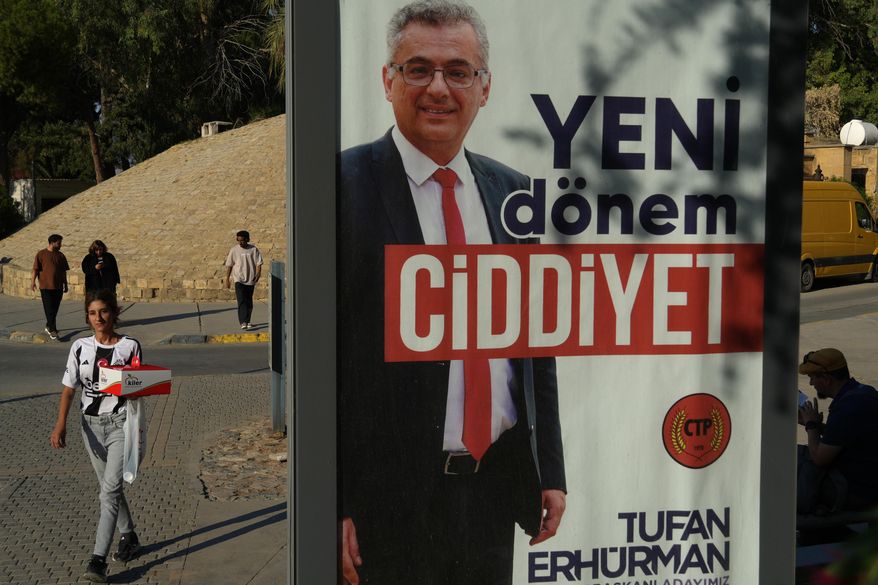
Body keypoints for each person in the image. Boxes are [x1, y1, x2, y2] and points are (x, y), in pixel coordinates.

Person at [338, 2, 566, 583]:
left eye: (458, 72)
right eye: (419, 69)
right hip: (386, 506)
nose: (439, 88)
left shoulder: (512, 194)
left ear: (483, 89)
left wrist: (551, 470)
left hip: (495, 490)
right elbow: (328, 364)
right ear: (388, 81)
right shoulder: (341, 188)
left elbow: (534, 348)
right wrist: (334, 499)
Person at [49, 290, 144, 583]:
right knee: (109, 488)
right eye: (92, 313)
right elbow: (69, 389)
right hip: (89, 426)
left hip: (119, 424)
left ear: (114, 313)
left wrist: (125, 383)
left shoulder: (130, 346)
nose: (98, 318)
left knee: (109, 492)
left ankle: (98, 561)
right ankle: (129, 536)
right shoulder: (80, 347)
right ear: (87, 317)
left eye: (103, 311)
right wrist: (60, 424)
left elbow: (140, 385)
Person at [797, 348, 878, 514]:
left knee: (793, 466)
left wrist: (811, 426)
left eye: (813, 378)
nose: (811, 383)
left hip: (858, 491)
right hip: (870, 479)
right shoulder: (864, 392)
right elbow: (848, 436)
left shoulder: (846, 409)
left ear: (826, 379)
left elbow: (820, 458)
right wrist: (820, 427)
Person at [31, 233, 69, 341]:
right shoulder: (41, 254)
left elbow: (63, 272)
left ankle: (49, 325)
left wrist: (65, 284)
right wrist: (32, 282)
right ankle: (53, 330)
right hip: (45, 286)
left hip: (58, 287)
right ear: (52, 242)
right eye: (59, 242)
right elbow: (35, 269)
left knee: (55, 309)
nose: (61, 244)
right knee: (49, 309)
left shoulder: (61, 256)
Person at [224, 230, 263, 329]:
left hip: (250, 278)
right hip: (239, 279)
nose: (240, 243)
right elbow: (229, 265)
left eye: (242, 240)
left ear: (247, 239)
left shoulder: (253, 249)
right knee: (241, 300)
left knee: (248, 301)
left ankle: (247, 321)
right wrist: (227, 279)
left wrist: (258, 273)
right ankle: (243, 322)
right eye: (238, 240)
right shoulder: (234, 250)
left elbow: (259, 263)